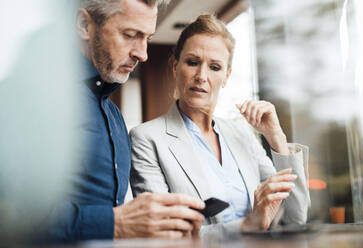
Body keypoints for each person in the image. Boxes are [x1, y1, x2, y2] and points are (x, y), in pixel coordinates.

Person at [130, 14, 310, 235]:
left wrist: (276, 138)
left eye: (214, 67)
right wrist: (248, 225)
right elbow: (164, 235)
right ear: (176, 66)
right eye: (192, 62)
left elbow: (296, 217)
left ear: (226, 76)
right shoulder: (146, 138)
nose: (201, 76)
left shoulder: (241, 134)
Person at [46, 0, 206, 242]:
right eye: (131, 35)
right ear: (84, 26)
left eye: (147, 39)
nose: (142, 54)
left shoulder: (115, 117)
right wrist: (115, 223)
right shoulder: (38, 100)